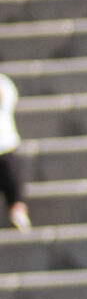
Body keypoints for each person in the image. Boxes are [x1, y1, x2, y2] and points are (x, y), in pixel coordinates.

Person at [0, 67, 29, 229]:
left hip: (3, 150)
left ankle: (18, 209)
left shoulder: (3, 82)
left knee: (11, 170)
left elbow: (4, 98)